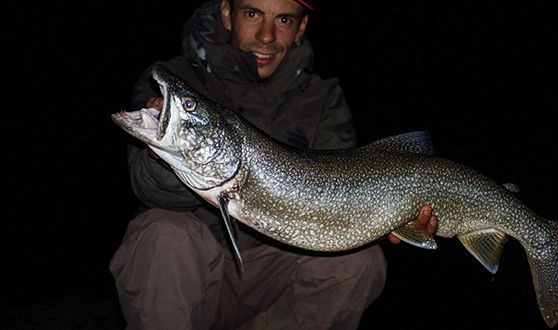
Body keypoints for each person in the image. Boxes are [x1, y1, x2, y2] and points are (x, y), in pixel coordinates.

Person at [110, 0, 438, 329]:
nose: (267, 35)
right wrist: (167, 150)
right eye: (252, 14)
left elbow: (343, 204)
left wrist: (396, 219)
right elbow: (150, 190)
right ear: (227, 14)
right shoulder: (176, 77)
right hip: (190, 276)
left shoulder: (324, 99)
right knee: (162, 234)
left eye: (283, 19)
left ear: (301, 28)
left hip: (273, 278)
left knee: (359, 261)